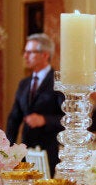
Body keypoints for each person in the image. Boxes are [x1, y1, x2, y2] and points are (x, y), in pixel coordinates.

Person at [7, 33, 64, 176]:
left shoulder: (58, 82)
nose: (25, 56)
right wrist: (8, 148)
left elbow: (67, 118)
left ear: (45, 55)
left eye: (30, 52)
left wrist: (45, 120)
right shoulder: (24, 84)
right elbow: (14, 117)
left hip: (49, 150)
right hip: (27, 150)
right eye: (24, 52)